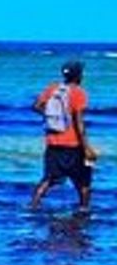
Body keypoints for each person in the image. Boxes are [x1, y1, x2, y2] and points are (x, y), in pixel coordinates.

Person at [31, 61, 93, 212]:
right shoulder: (78, 93)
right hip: (73, 146)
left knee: (48, 179)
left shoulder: (53, 89)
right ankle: (84, 210)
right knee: (83, 182)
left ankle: (33, 206)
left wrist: (53, 118)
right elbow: (79, 124)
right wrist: (87, 148)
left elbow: (36, 106)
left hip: (53, 143)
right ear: (78, 75)